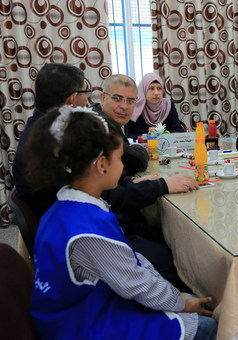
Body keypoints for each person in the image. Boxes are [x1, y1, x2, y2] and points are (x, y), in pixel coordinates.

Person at [26, 106, 217, 339]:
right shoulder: (87, 231)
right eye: (119, 158)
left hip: (83, 307)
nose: (123, 166)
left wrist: (175, 296)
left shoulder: (62, 208)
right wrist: (181, 302)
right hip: (81, 326)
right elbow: (136, 283)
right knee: (208, 325)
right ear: (102, 164)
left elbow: (128, 262)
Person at [12, 63, 91, 215]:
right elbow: (88, 190)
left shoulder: (41, 128)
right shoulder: (49, 146)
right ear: (73, 99)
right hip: (71, 225)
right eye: (85, 92)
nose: (87, 101)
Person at [91, 74, 149, 173]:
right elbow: (137, 162)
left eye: (131, 100)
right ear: (102, 98)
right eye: (117, 98)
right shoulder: (100, 125)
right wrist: (138, 148)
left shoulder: (116, 120)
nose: (124, 106)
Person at [128, 72, 184, 140]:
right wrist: (146, 138)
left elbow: (178, 129)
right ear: (144, 90)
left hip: (166, 146)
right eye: (151, 88)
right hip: (140, 148)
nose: (156, 93)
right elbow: (128, 134)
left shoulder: (168, 104)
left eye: (159, 88)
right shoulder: (136, 107)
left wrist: (164, 136)